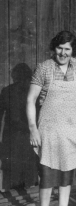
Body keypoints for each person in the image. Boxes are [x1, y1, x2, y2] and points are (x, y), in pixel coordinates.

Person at [26, 30, 76, 206]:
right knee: (47, 176)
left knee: (66, 174)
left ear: (73, 51)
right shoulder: (44, 69)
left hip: (72, 129)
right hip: (48, 130)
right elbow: (30, 100)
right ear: (53, 48)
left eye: (67, 49)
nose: (63, 53)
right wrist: (32, 129)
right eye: (59, 48)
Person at [0, 63, 38, 191]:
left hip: (11, 135)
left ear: (14, 76)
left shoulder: (6, 91)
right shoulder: (33, 91)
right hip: (29, 134)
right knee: (30, 166)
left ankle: (14, 192)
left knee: (13, 168)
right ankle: (30, 192)